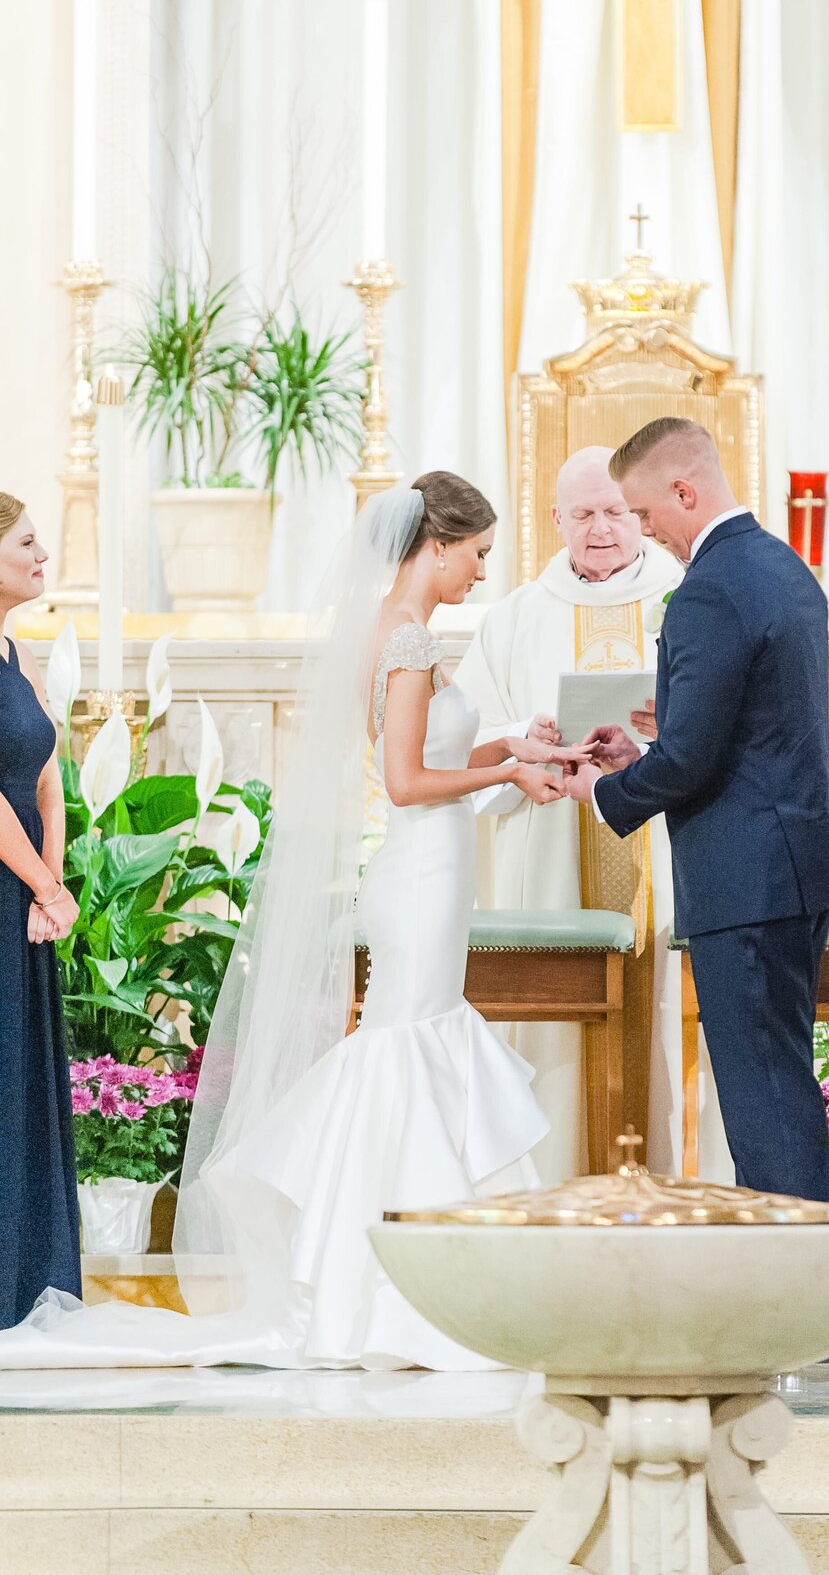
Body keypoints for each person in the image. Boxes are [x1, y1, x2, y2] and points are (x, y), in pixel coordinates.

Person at [0, 474, 586, 1370]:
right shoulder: (406, 637)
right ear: (437, 545)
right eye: (475, 554)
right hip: (420, 874)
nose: (480, 572)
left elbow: (430, 752)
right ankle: (389, 1288)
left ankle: (394, 1279)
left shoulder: (397, 629)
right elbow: (405, 782)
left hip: (434, 870)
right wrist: (505, 775)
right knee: (408, 1054)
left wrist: (514, 745)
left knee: (416, 1053)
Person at [560, 418, 829, 1200]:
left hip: (744, 880)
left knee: (762, 1099)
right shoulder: (784, 567)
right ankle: (805, 1273)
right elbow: (750, 726)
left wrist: (596, 787)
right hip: (794, 868)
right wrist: (651, 749)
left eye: (648, 513)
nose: (648, 531)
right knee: (782, 1082)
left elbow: (692, 762)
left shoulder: (709, 589)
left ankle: (797, 1291)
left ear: (683, 491)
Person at [455, 446, 700, 1179]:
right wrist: (518, 744)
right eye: (584, 513)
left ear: (641, 515)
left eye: (616, 512)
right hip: (553, 847)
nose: (601, 528)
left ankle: (676, 1186)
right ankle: (557, 1182)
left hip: (663, 845)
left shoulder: (687, 597)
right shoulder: (516, 618)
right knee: (560, 1033)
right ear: (555, 518)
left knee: (666, 1007)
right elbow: (466, 736)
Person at [0, 494, 82, 1329]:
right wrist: (42, 884)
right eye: (27, 542)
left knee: (19, 1074)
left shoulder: (15, 650)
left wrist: (49, 885)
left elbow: (47, 775)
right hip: (8, 884)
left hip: (21, 896)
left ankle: (24, 1271)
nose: (43, 554)